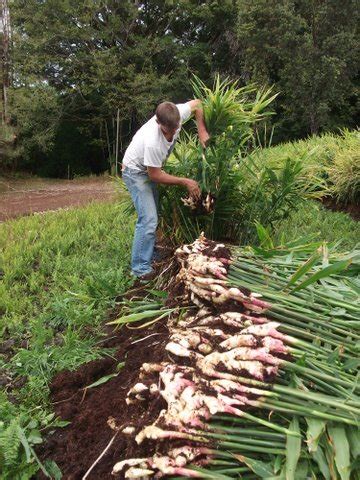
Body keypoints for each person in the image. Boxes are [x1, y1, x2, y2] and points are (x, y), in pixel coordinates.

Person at [122, 99, 210, 281]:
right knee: (148, 219)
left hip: (149, 169)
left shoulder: (178, 113)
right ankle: (139, 268)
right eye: (166, 131)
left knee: (153, 214)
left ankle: (149, 253)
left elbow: (198, 104)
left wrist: (201, 130)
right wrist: (185, 181)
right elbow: (154, 175)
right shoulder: (152, 141)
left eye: (175, 128)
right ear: (158, 122)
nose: (171, 134)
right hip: (136, 173)